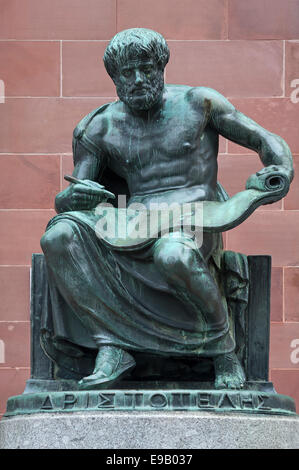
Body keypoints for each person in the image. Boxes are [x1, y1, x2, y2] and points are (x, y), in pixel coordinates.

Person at [40, 28, 293, 391]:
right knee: (60, 234)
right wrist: (71, 201)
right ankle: (112, 345)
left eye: (146, 68)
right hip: (135, 221)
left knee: (173, 254)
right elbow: (74, 193)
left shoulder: (199, 103)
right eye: (127, 73)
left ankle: (222, 349)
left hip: (196, 216)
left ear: (161, 67)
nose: (138, 79)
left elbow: (265, 140)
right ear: (115, 78)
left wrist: (279, 169)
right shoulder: (98, 127)